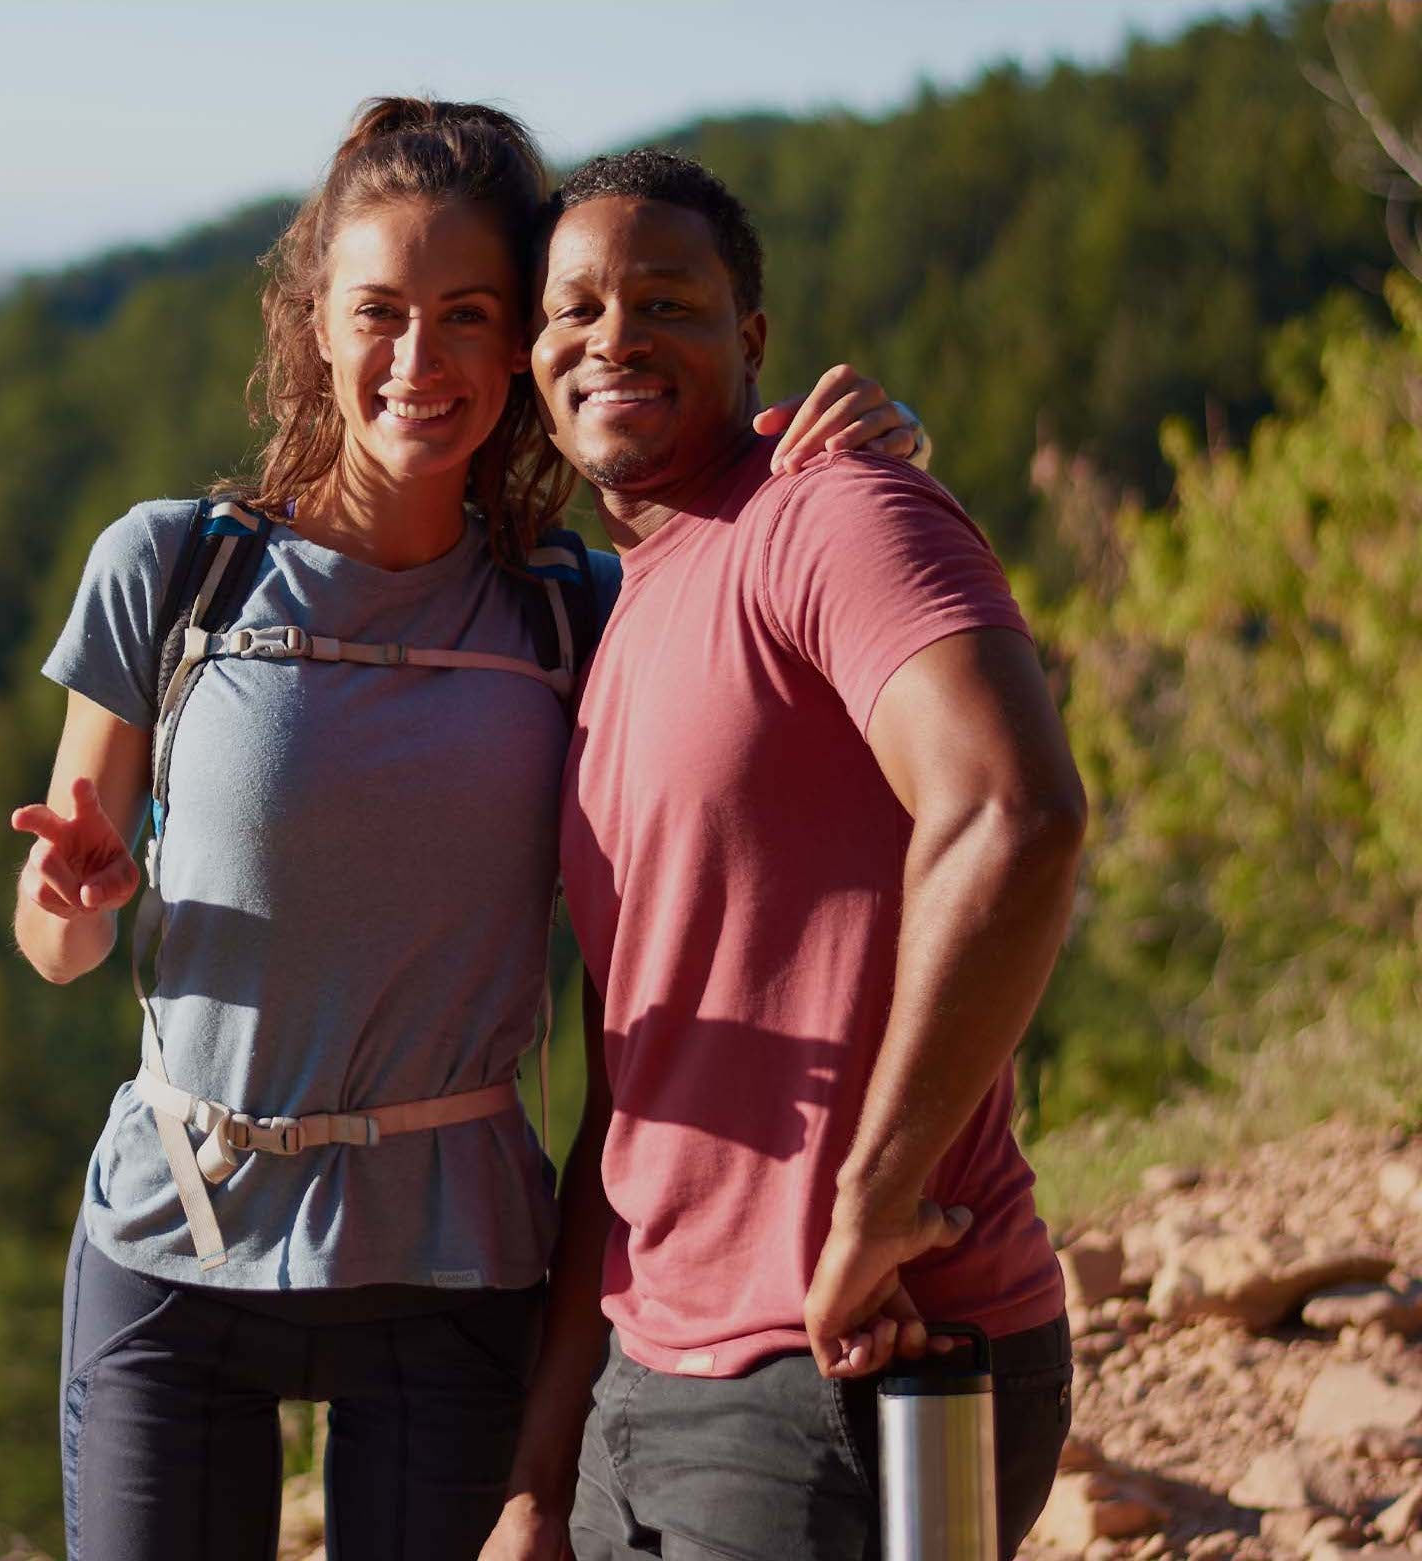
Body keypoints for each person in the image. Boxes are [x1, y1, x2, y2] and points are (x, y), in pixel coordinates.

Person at [12, 101, 925, 1561]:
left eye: (466, 316)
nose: (418, 362)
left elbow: (770, 609)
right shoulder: (172, 570)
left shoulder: (575, 611)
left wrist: (875, 457)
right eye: (378, 312)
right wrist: (76, 894)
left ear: (520, 347)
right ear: (314, 322)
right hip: (173, 1245)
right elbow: (59, 944)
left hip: (453, 1261)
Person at [486, 151, 1083, 1561]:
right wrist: (541, 1469)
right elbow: (633, 1095)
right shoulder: (621, 609)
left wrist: (879, 1188)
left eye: (666, 301)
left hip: (849, 1353)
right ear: (530, 355)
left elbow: (1013, 811)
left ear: (751, 339)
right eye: (574, 309)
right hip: (651, 1372)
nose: (615, 336)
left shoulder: (836, 513)